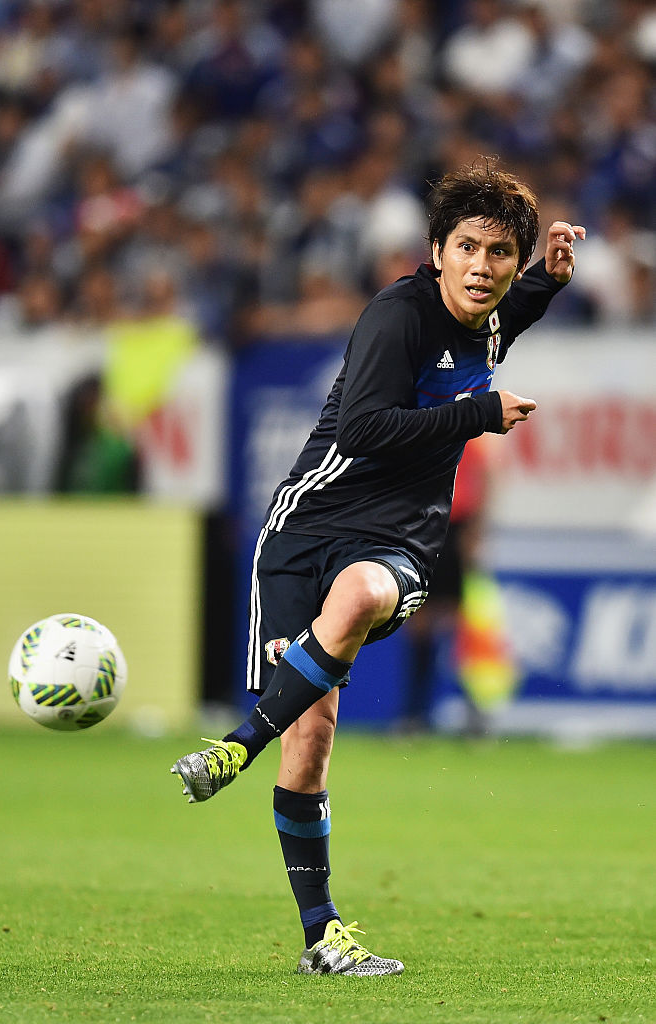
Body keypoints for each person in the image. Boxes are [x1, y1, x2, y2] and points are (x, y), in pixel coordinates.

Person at [171, 161, 585, 975]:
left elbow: (512, 311)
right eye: (465, 247)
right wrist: (479, 413)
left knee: (362, 593)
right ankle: (322, 937)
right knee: (311, 739)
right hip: (303, 532)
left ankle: (236, 746)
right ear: (435, 252)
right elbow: (361, 430)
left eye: (499, 253)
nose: (481, 266)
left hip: (399, 538)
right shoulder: (396, 316)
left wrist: (550, 278)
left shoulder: (491, 316)